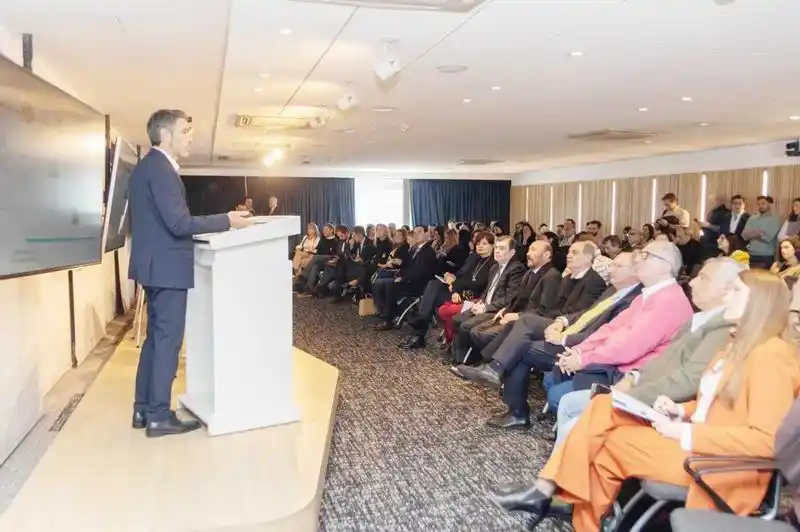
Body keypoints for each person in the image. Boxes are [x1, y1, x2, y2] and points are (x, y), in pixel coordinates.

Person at [487, 269, 800, 532]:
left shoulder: (771, 356)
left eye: (736, 291)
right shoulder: (738, 346)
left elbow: (768, 441)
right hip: (698, 443)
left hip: (720, 463)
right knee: (603, 408)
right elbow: (717, 403)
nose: (727, 297)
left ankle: (551, 493)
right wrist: (682, 409)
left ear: (758, 304)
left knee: (607, 442)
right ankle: (563, 503)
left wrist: (685, 431)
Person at [128, 109, 253, 438]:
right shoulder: (161, 169)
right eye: (185, 131)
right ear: (166, 135)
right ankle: (158, 415)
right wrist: (226, 219)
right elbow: (180, 224)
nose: (190, 136)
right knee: (167, 342)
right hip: (167, 268)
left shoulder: (146, 167)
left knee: (155, 340)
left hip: (154, 266)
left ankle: (143, 409)